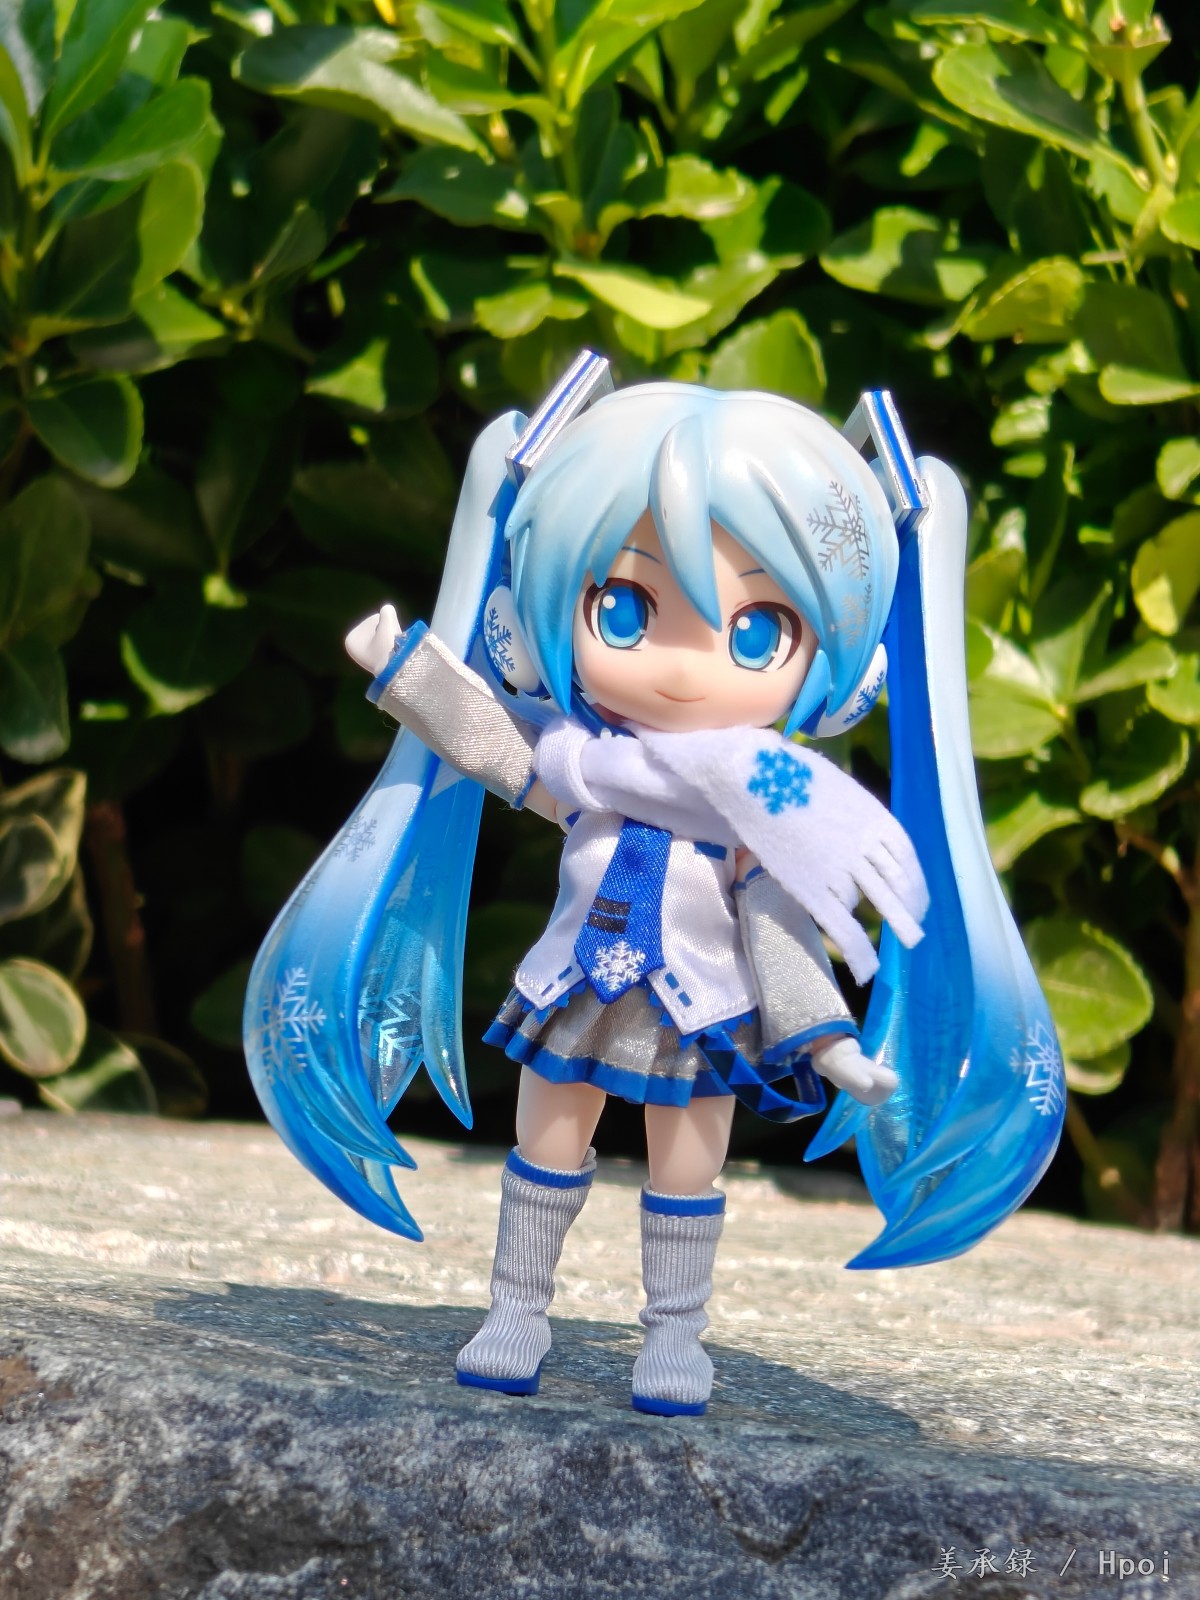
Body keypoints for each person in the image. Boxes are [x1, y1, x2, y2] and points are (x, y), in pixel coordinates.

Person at [245, 365, 1065, 1419]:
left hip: (704, 1005)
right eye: (626, 609)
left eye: (756, 631)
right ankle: (516, 1310)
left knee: (687, 1169)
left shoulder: (767, 806)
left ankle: (675, 1335)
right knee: (547, 1143)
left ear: (838, 664)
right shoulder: (583, 763)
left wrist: (825, 1038)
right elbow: (494, 743)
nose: (683, 665)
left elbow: (777, 921)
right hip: (576, 986)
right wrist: (407, 670)